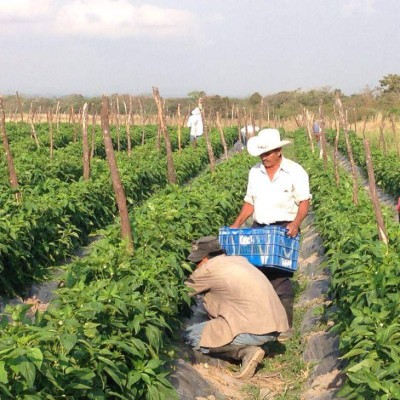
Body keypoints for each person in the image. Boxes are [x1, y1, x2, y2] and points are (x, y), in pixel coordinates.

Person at [230, 128, 311, 338]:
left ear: (278, 151)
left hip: (284, 228)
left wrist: (296, 223)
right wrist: (237, 223)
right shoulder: (254, 172)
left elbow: (304, 201)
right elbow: (250, 201)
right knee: (256, 273)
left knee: (280, 276)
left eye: (267, 153)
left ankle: (285, 326)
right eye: (261, 154)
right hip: (259, 227)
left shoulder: (295, 171)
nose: (264, 157)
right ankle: (260, 323)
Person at [184, 236, 289, 380]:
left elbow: (180, 293)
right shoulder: (238, 259)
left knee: (191, 335)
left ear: (205, 258)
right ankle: (259, 343)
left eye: (197, 261)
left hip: (254, 329)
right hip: (275, 326)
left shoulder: (208, 269)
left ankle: (246, 351)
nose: (196, 265)